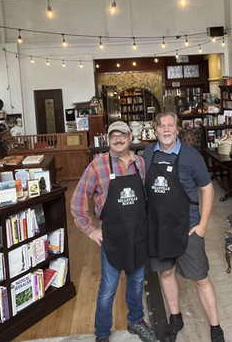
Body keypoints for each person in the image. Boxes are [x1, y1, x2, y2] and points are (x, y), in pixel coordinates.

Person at [70, 121, 157, 342]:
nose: (118, 140)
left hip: (138, 234)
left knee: (137, 282)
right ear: (108, 140)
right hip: (113, 237)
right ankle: (101, 333)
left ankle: (136, 320)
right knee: (108, 289)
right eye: (113, 136)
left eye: (122, 135)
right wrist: (90, 230)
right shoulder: (97, 166)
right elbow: (78, 200)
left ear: (130, 137)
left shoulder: (140, 163)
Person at [143, 111, 224, 342]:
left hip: (189, 227)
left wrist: (202, 225)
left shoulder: (191, 156)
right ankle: (175, 318)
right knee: (166, 272)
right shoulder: (149, 153)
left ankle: (215, 328)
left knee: (200, 278)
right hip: (159, 228)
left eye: (170, 125)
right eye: (161, 126)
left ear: (177, 129)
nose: (166, 130)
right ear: (155, 130)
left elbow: (207, 189)